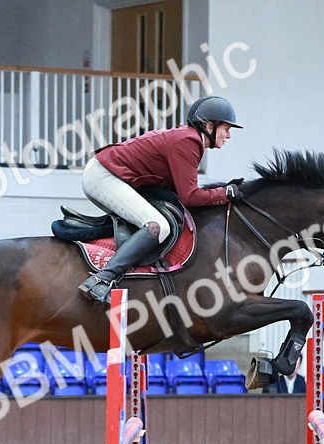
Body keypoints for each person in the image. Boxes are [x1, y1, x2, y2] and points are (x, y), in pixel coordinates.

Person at [77, 95, 244, 304]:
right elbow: (190, 197)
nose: (228, 135)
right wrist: (225, 193)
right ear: (209, 125)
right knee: (157, 226)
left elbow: (181, 193)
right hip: (103, 176)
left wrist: (222, 190)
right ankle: (101, 280)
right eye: (226, 129)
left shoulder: (189, 139)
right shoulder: (188, 141)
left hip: (108, 174)